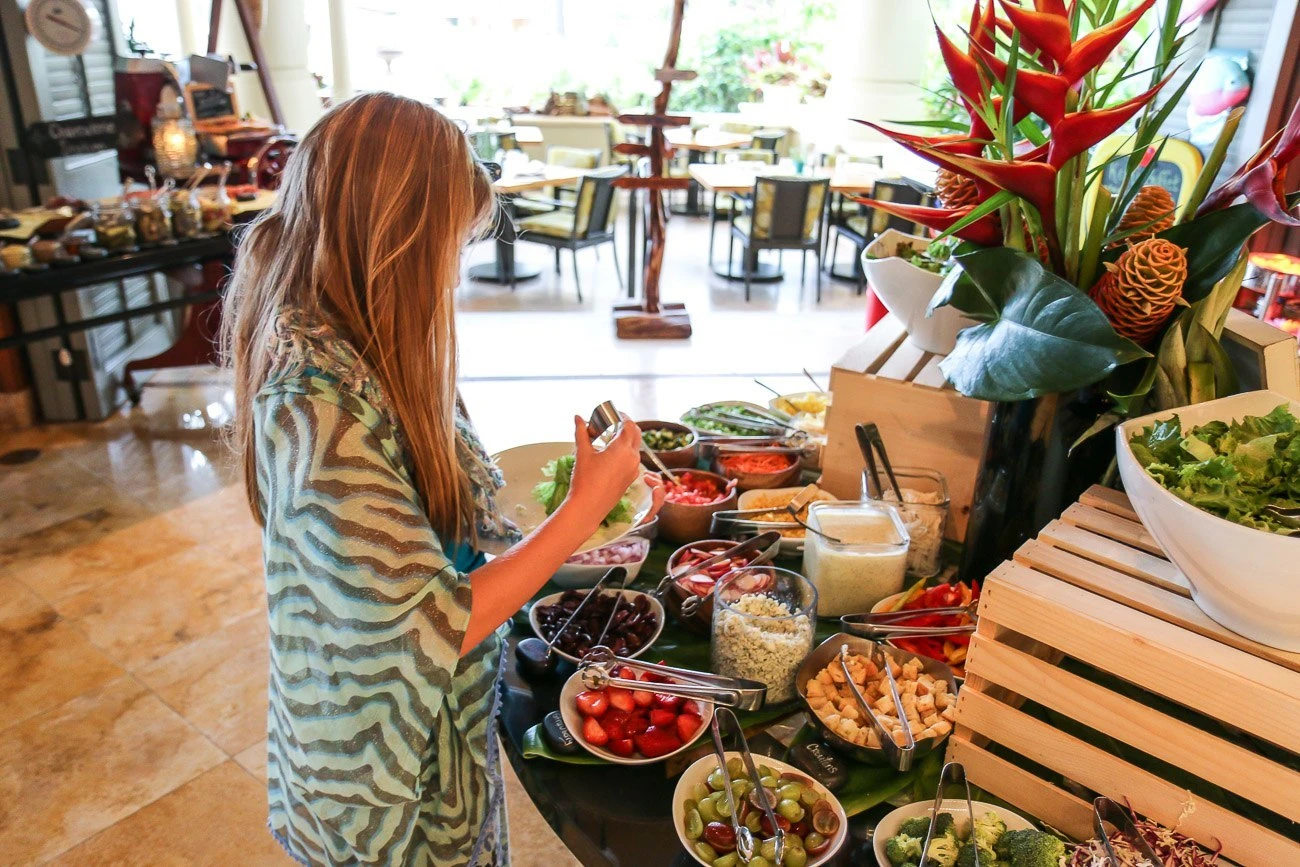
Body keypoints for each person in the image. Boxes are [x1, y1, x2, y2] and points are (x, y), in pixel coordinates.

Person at [221, 92, 651, 867]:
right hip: (372, 764)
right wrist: (581, 510)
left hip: (430, 727)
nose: (453, 275)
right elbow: (432, 621)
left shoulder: (365, 343)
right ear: (398, 245)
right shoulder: (318, 414)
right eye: (449, 248)